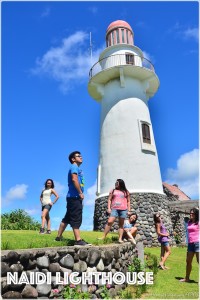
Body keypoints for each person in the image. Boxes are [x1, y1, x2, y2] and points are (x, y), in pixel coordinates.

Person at [55, 151, 91, 246]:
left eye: (81, 155)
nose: (81, 157)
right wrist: (80, 193)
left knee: (67, 218)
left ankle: (58, 237)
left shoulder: (77, 168)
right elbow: (74, 179)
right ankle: (78, 240)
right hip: (74, 197)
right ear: (73, 159)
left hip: (73, 197)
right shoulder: (74, 166)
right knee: (76, 217)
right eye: (78, 156)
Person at [98, 179, 131, 243]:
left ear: (121, 183)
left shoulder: (126, 192)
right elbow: (109, 199)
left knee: (121, 224)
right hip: (114, 209)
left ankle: (120, 239)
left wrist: (129, 210)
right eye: (115, 182)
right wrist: (109, 208)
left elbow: (128, 201)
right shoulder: (113, 190)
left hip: (123, 209)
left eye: (117, 183)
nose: (115, 184)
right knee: (110, 222)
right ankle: (103, 237)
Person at [180, 207, 199, 282]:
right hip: (190, 244)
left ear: (196, 214)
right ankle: (187, 278)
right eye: (190, 213)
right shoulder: (189, 222)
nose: (190, 214)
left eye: (192, 213)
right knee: (188, 261)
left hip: (198, 243)